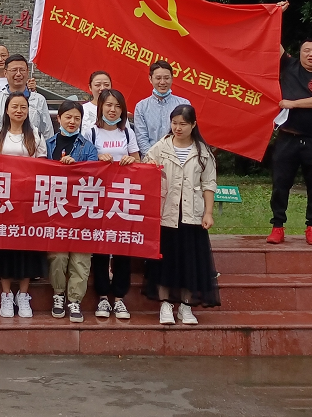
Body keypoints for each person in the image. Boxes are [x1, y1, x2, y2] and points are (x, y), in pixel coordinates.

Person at [142, 104, 220, 325]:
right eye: (174, 123)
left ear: (193, 125)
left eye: (183, 124)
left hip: (192, 214)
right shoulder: (161, 147)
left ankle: (186, 306)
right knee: (165, 261)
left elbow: (209, 184)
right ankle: (165, 305)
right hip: (166, 212)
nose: (178, 128)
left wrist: (208, 212)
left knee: (190, 261)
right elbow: (145, 170)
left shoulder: (202, 152)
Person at [269, 36, 312, 246]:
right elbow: (272, 40)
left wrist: (293, 103)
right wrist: (269, 18)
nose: (310, 54)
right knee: (280, 184)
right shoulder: (289, 66)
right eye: (306, 50)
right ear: (300, 53)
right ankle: (277, 226)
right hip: (287, 137)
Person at [0, 93, 46, 319]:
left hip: (28, 201)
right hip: (3, 201)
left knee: (27, 247)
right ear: (6, 110)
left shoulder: (36, 135)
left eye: (23, 107)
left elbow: (43, 166)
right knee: (5, 246)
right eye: (15, 106)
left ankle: (23, 294)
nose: (19, 111)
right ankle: (6, 295)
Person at [45, 100, 101, 322]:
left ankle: (75, 300)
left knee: (80, 258)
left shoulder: (88, 147)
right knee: (57, 256)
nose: (72, 122)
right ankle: (58, 295)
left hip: (81, 210)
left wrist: (76, 167)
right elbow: (40, 173)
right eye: (68, 117)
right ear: (58, 118)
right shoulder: (48, 144)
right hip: (56, 209)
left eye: (77, 118)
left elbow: (95, 175)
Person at [88, 89, 140, 320]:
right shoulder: (91, 132)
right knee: (100, 246)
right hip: (98, 196)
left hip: (123, 196)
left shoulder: (127, 132)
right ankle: (102, 295)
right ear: (100, 107)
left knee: (122, 246)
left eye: (117, 106)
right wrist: (98, 158)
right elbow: (85, 161)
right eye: (108, 105)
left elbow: (138, 161)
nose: (112, 110)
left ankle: (119, 297)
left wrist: (130, 161)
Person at [0, 54, 52, 143]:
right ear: (5, 73)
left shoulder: (39, 100)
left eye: (22, 70)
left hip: (32, 149)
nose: (18, 74)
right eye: (14, 70)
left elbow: (47, 132)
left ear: (27, 72)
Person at [133, 61, 191, 154]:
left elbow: (187, 134)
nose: (163, 82)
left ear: (172, 78)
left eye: (166, 78)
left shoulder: (183, 104)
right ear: (150, 79)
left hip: (177, 157)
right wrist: (152, 157)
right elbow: (141, 138)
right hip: (150, 158)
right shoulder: (141, 107)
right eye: (158, 78)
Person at [81, 70, 114, 138]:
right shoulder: (82, 109)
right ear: (90, 87)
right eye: (97, 85)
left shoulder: (117, 109)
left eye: (106, 85)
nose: (102, 88)